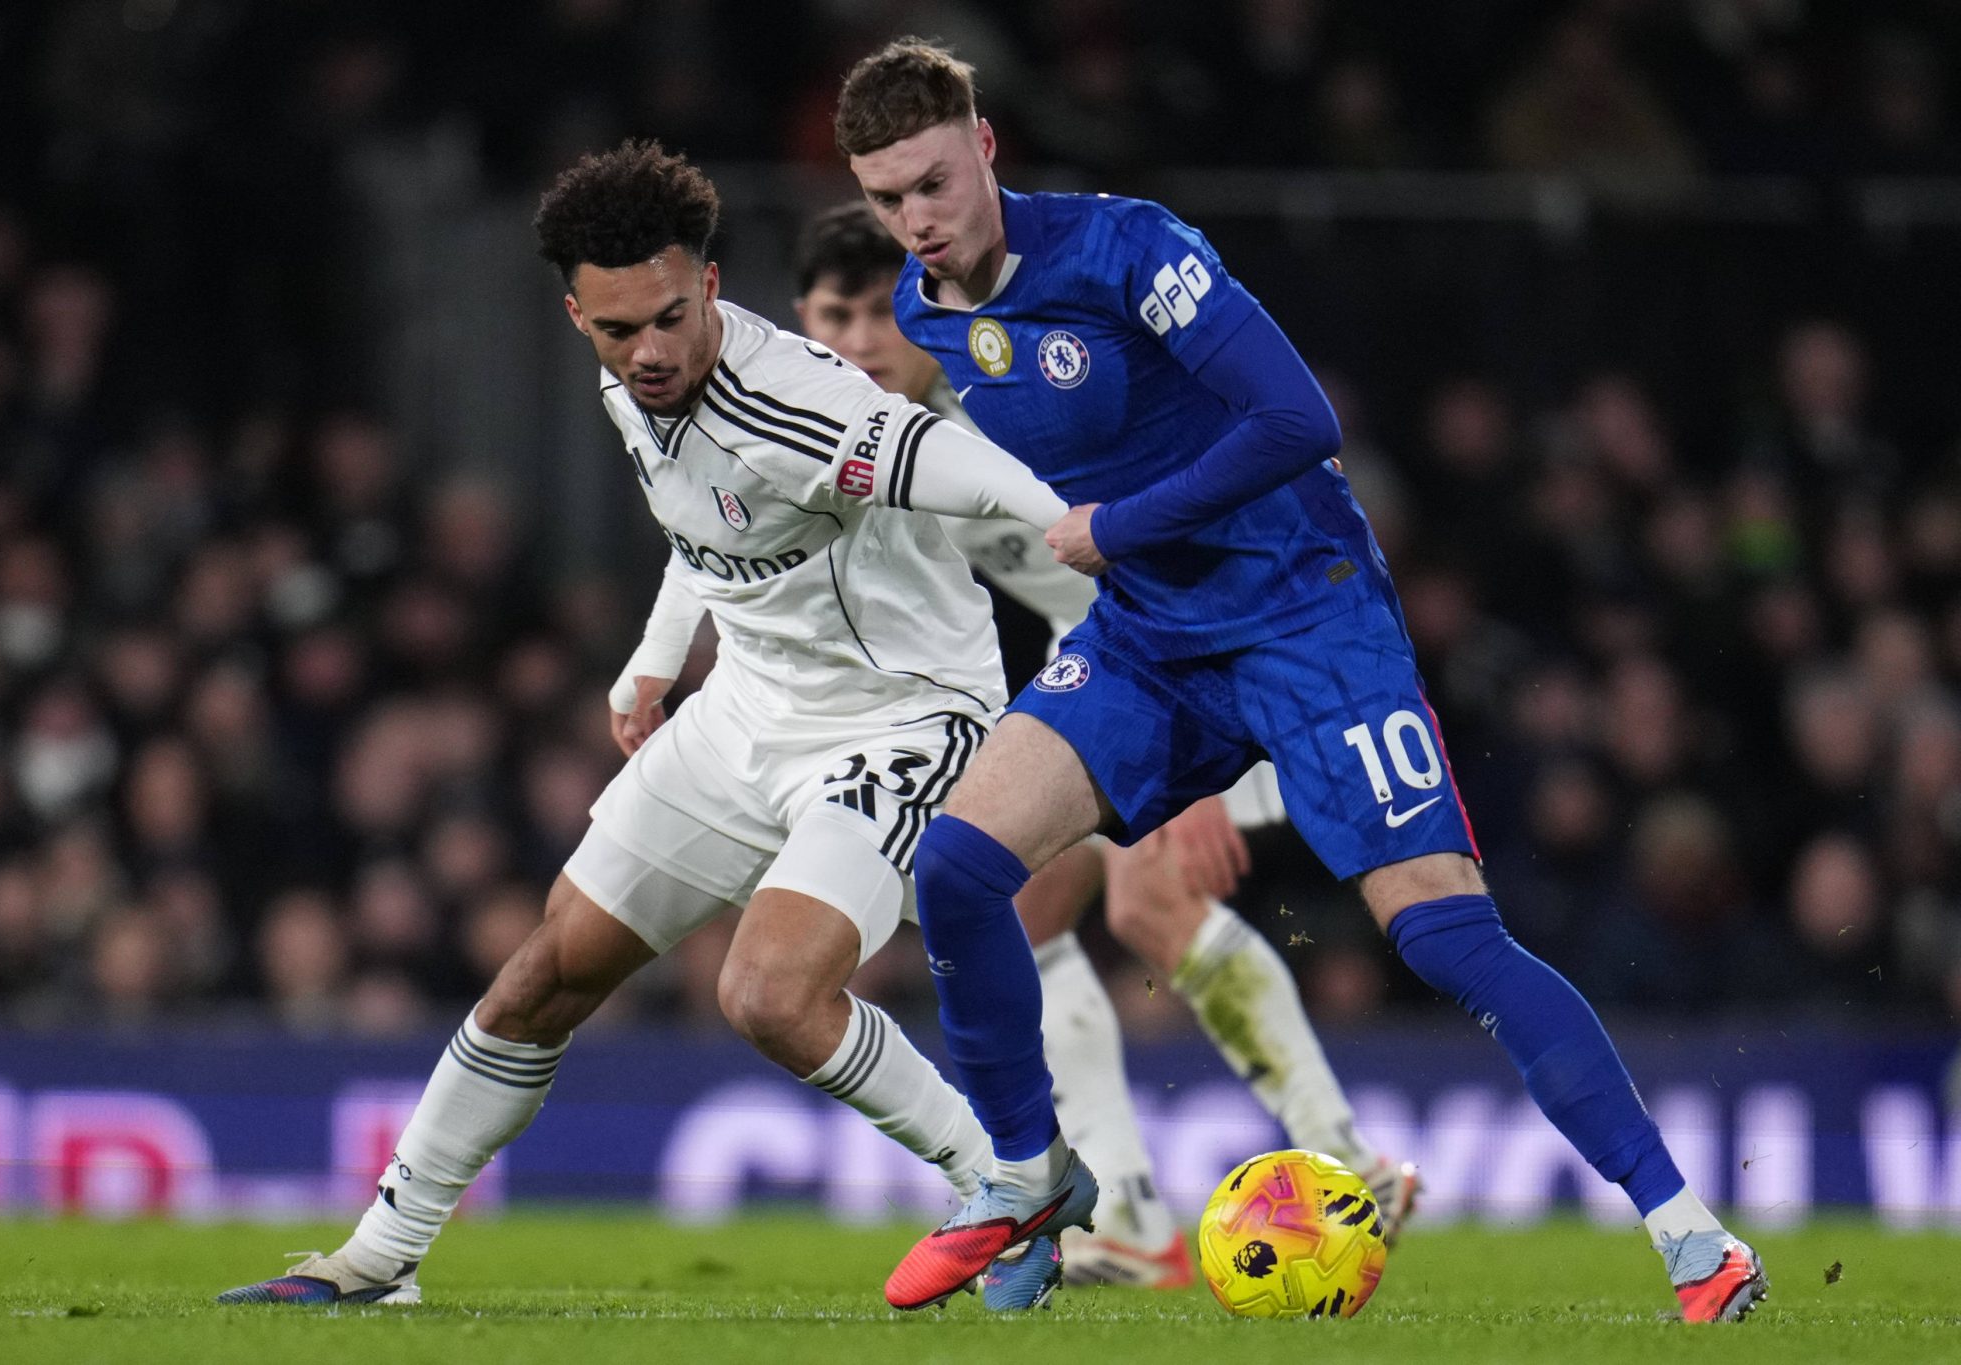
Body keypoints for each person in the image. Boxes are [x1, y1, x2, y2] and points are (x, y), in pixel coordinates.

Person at [834, 39, 1767, 1322]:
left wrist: (1119, 526)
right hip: (1150, 635)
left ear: (984, 147)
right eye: (886, 198)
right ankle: (1024, 1179)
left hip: (1303, 615)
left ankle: (1692, 1238)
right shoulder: (924, 312)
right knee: (954, 868)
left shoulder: (1125, 249)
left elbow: (1295, 422)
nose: (915, 221)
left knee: (1440, 933)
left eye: (932, 183)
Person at [218, 140, 1081, 1311]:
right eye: (620, 329)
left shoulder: (798, 403)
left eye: (673, 318)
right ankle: (381, 1258)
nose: (652, 351)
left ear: (710, 284)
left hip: (901, 715)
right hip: (745, 711)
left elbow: (948, 463)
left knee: (768, 994)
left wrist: (1088, 527)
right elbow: (709, 529)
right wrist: (652, 664)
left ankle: (1007, 1179)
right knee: (542, 975)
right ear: (578, 317)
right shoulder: (628, 380)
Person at [789, 201, 1419, 1287]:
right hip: (1114, 652)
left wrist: (1196, 776)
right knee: (1035, 913)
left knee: (1149, 904)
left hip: (1212, 635)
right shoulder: (885, 440)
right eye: (829, 319)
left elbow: (1155, 514)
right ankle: (1126, 1207)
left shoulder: (1003, 404)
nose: (857, 343)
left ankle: (1341, 1160)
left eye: (873, 314)